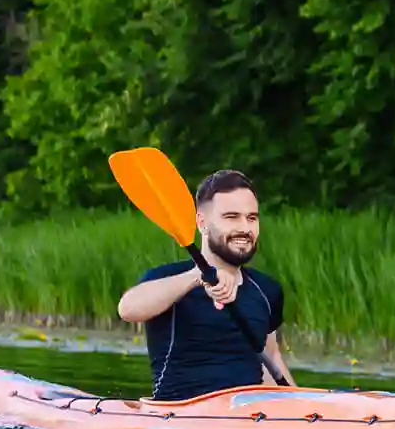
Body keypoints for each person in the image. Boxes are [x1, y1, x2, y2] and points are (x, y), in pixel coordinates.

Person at [115, 169, 294, 401]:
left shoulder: (267, 290)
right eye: (231, 217)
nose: (245, 228)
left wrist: (300, 409)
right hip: (178, 417)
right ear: (202, 222)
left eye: (252, 218)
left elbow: (270, 357)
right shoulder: (167, 279)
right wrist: (196, 277)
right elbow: (127, 309)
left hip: (248, 417)